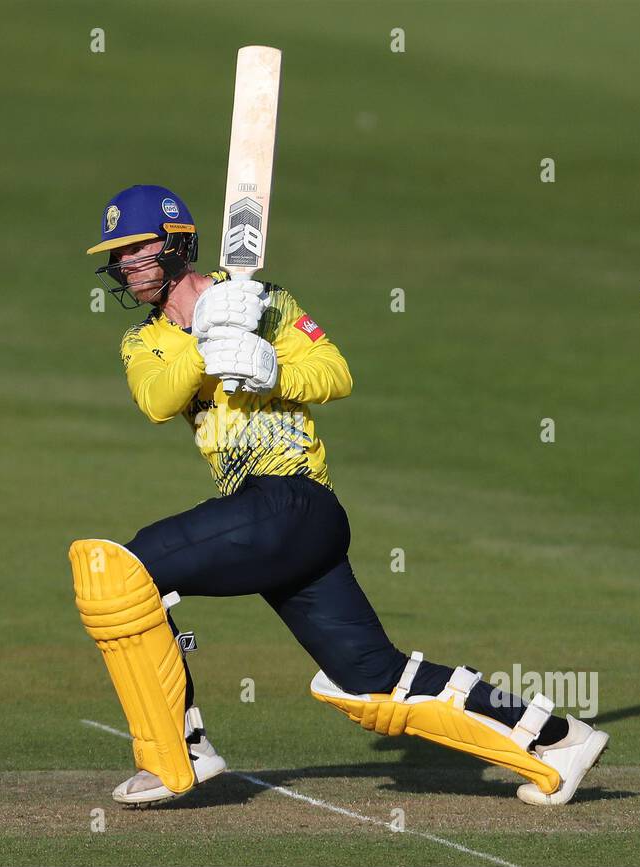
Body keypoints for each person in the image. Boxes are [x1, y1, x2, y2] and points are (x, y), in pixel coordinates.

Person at [67, 184, 608, 808]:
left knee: (115, 572)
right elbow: (158, 400)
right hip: (266, 522)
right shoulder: (144, 341)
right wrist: (208, 336)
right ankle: (557, 740)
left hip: (296, 500)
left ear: (176, 244)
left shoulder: (264, 302)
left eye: (137, 252)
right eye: (118, 257)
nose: (126, 268)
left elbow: (336, 373)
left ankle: (178, 753)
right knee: (372, 680)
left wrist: (271, 367)